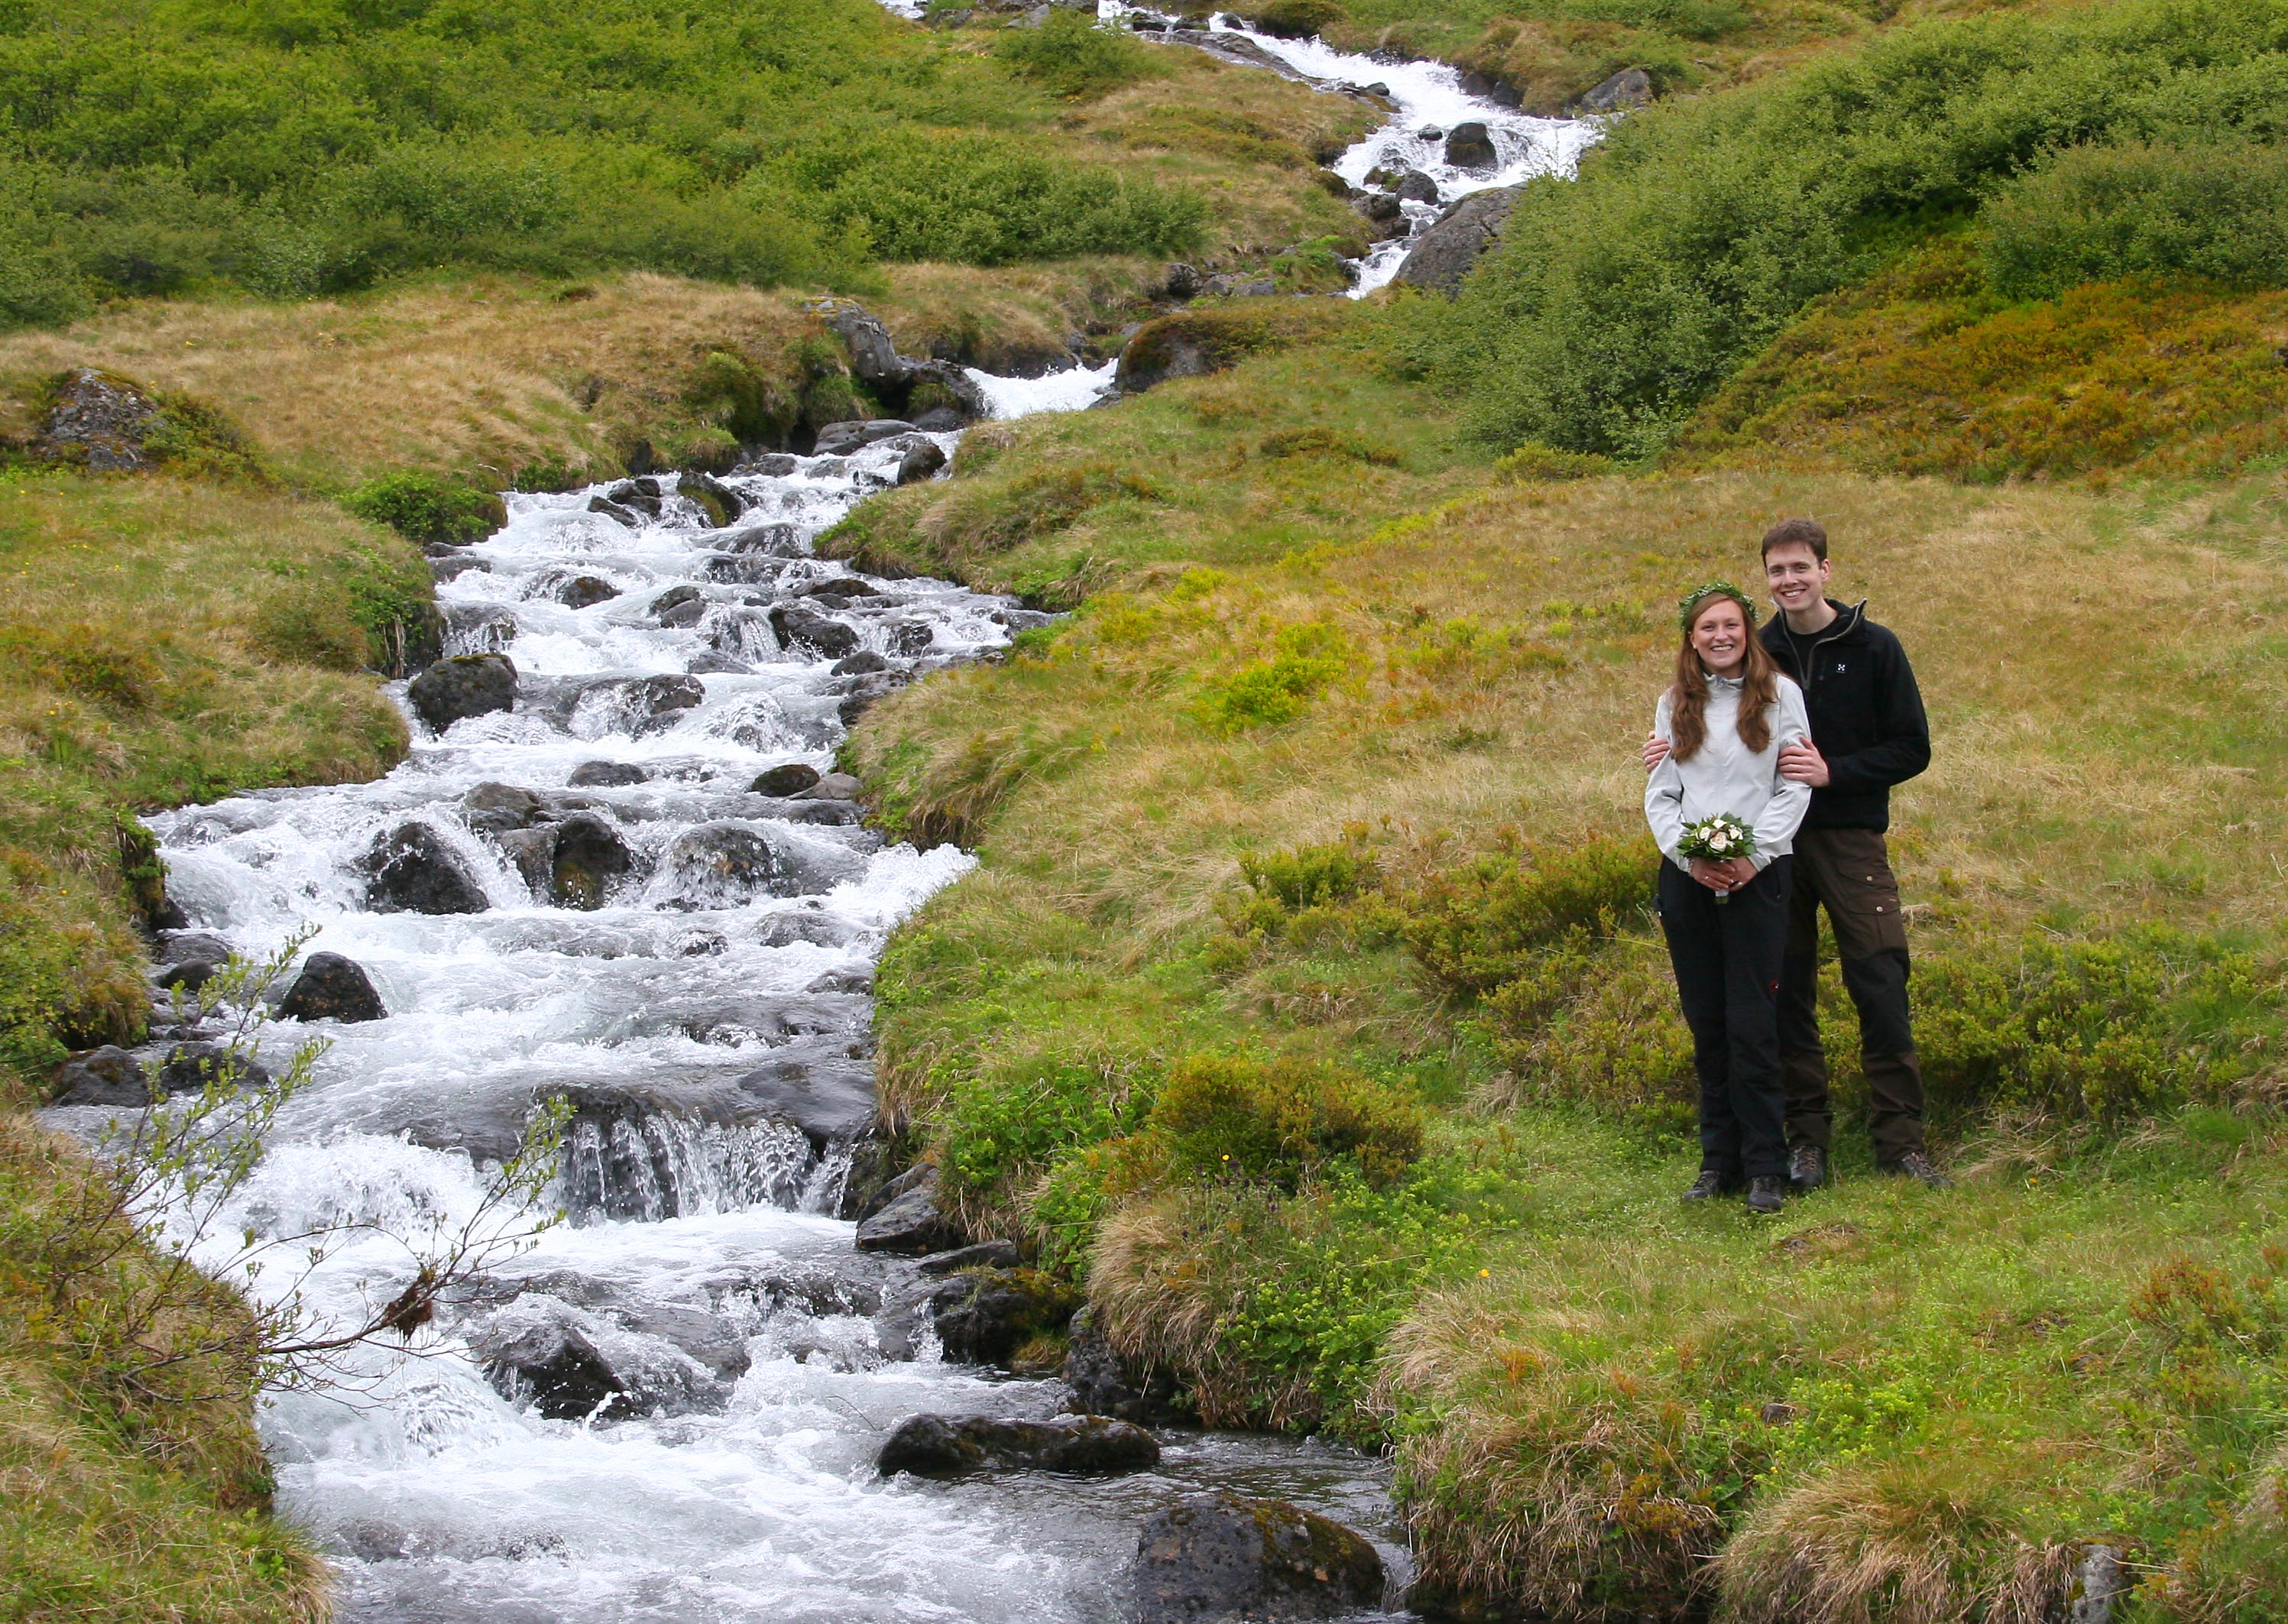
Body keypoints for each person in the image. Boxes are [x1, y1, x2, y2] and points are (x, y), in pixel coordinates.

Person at [1646, 520, 1942, 1191]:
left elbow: (1912, 748)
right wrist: (1666, 752)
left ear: (1825, 570)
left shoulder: (1872, 647)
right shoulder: (1758, 649)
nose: (1789, 580)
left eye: (1800, 568)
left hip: (1846, 837)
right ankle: (1806, 1141)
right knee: (1784, 995)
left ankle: (1901, 1142)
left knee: (1879, 977)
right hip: (1769, 852)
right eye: (1777, 571)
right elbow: (1708, 728)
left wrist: (1832, 773)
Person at [1645, 582, 1813, 1215]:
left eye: (1732, 625)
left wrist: (1753, 855)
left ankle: (1766, 1165)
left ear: (1749, 631)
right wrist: (1691, 856)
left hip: (1760, 877)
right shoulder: (1673, 703)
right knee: (1707, 1020)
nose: (1721, 636)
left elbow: (1793, 785)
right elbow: (1661, 793)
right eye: (1708, 627)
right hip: (1688, 880)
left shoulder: (1779, 696)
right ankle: (1719, 1160)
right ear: (1691, 636)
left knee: (1753, 1020)